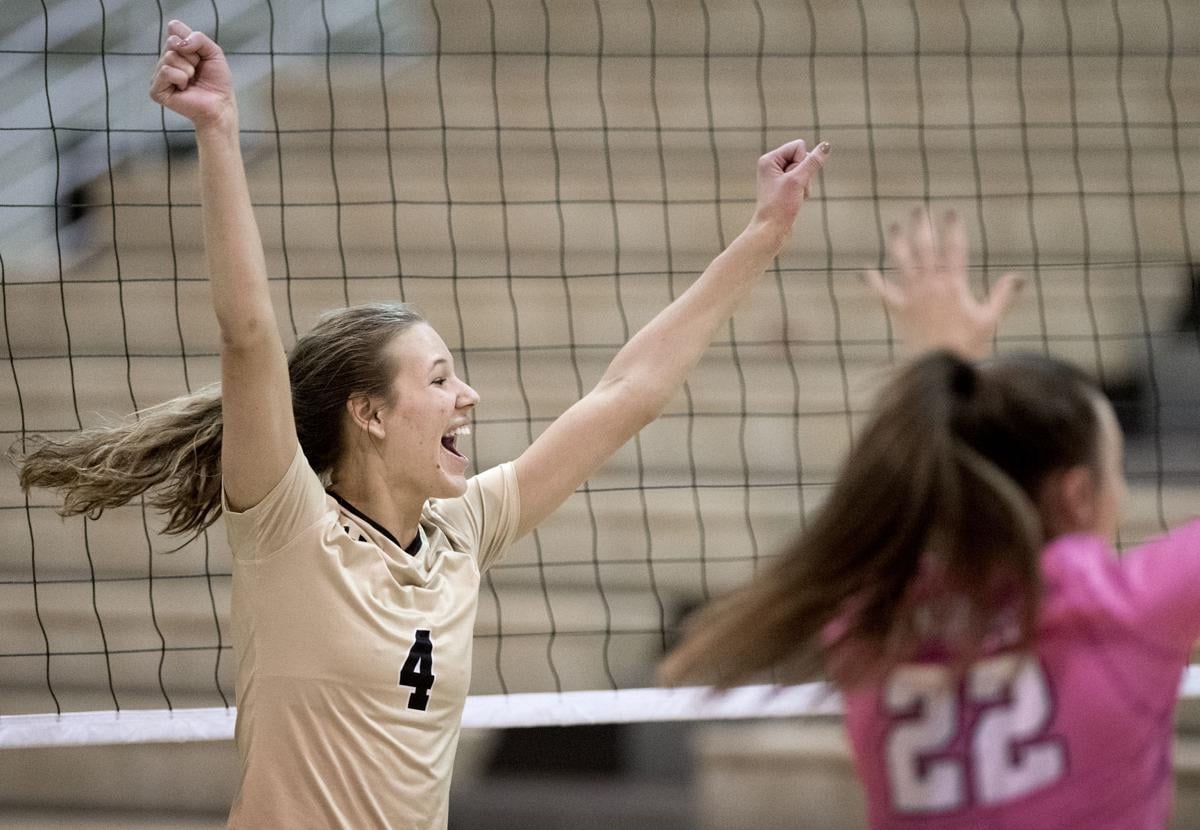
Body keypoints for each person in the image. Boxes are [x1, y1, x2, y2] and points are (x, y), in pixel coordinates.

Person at [15, 19, 829, 829]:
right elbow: (249, 336)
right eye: (439, 380)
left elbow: (626, 392)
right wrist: (219, 129)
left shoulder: (462, 530)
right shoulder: (290, 526)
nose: (467, 397)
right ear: (368, 414)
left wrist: (761, 237)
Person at [661, 208, 1200, 829]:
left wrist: (944, 365)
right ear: (1078, 495)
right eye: (1116, 476)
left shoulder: (869, 619)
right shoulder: (1126, 609)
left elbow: (919, 486)